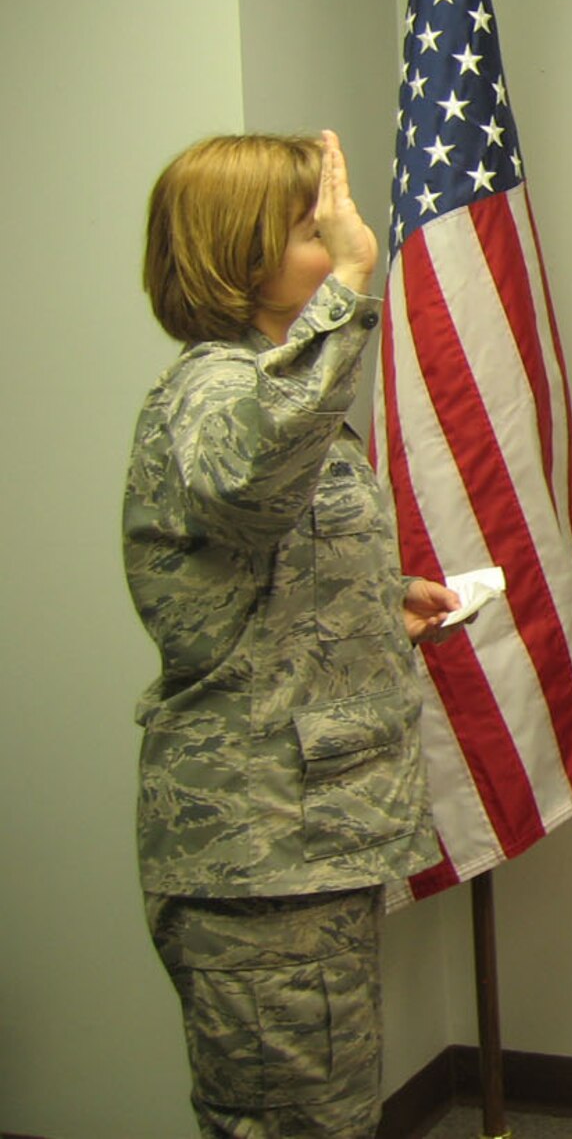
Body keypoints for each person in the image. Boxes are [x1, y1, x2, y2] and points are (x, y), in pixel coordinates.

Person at [125, 130, 457, 1137]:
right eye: (313, 229)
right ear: (239, 252)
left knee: (323, 1115)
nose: (344, 239)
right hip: (258, 856)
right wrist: (350, 284)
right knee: (297, 1126)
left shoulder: (265, 389)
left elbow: (255, 564)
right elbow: (248, 474)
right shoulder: (215, 393)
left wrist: (374, 605)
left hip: (301, 852)